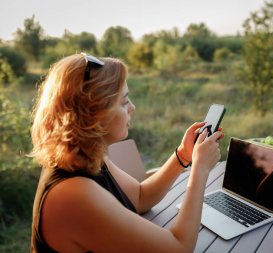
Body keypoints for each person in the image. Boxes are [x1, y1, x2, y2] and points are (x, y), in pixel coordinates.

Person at [30, 53, 224, 253]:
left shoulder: (87, 156)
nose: (133, 107)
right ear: (93, 113)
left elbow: (140, 197)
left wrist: (182, 155)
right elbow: (179, 248)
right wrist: (200, 171)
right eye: (123, 102)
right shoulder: (72, 194)